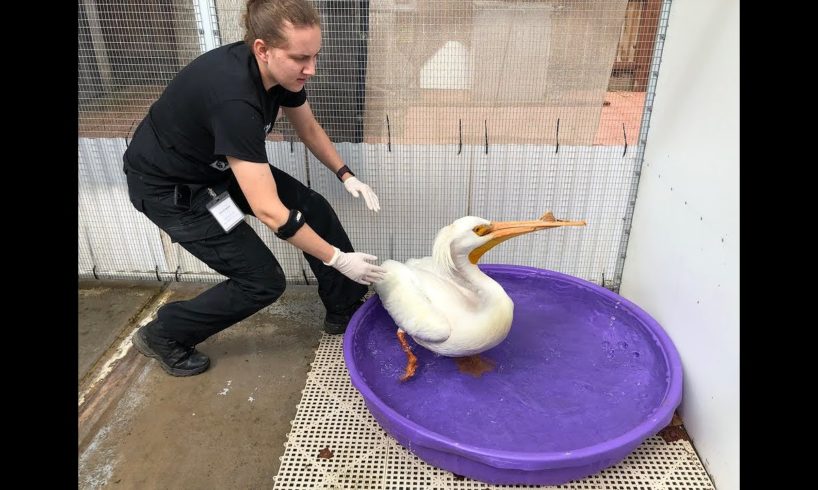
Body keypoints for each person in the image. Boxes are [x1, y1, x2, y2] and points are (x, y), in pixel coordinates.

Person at [122, 0, 385, 377]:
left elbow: (307, 128)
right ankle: (163, 334)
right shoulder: (234, 98)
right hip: (171, 190)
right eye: (300, 58)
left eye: (315, 55)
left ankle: (343, 308)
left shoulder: (280, 75)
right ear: (262, 49)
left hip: (213, 167)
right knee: (261, 281)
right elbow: (270, 211)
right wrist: (338, 258)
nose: (311, 69)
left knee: (313, 206)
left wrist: (346, 174)